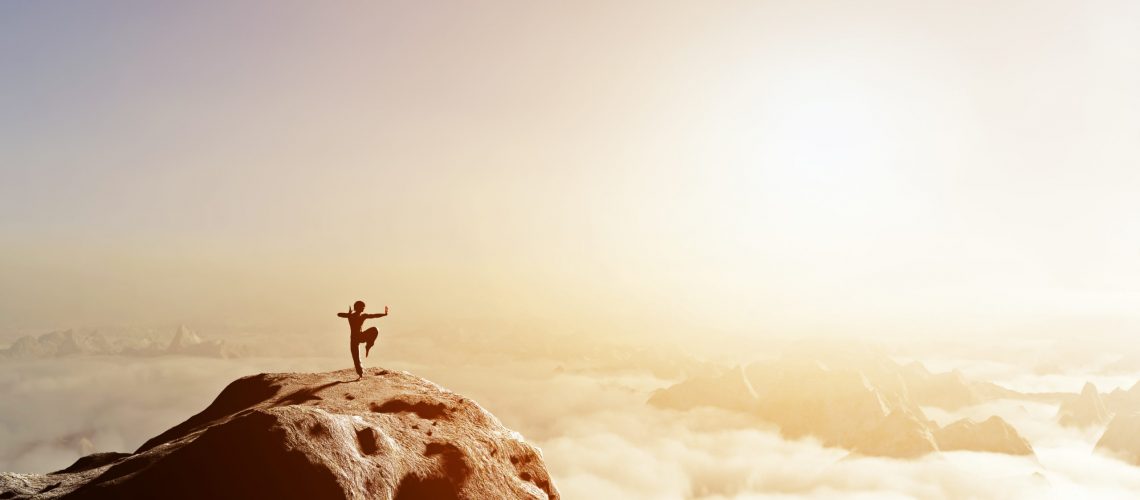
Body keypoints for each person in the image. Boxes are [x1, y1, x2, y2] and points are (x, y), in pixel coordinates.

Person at [337, 300, 388, 378]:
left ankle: (368, 345)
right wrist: (348, 314)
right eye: (362, 307)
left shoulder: (363, 316)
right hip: (354, 339)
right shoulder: (351, 315)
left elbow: (374, 315)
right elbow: (339, 314)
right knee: (356, 359)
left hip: (361, 336)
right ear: (358, 308)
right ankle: (360, 374)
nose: (364, 309)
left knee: (375, 329)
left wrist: (384, 314)